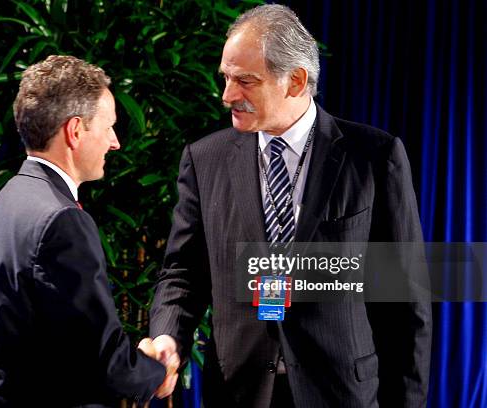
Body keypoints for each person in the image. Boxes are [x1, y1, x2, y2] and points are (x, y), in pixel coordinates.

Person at [149, 5, 431, 408]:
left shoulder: (373, 156)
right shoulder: (204, 159)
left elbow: (405, 299)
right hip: (237, 391)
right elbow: (182, 272)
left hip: (341, 392)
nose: (228, 95)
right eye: (226, 78)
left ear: (296, 81)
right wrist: (166, 336)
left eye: (245, 81)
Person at [0, 55, 177, 407]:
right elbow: (103, 361)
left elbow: (63, 338)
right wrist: (156, 372)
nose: (116, 143)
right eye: (109, 126)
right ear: (75, 131)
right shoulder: (62, 221)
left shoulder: (5, 202)